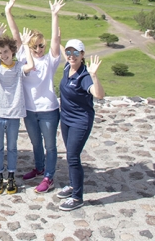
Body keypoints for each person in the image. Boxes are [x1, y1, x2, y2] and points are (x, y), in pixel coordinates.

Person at [4, 0, 65, 194]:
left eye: (41, 46)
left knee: (50, 145)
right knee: (35, 142)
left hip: (48, 109)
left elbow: (56, 40)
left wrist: (54, 15)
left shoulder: (50, 60)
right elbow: (14, 35)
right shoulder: (23, 56)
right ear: (29, 47)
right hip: (29, 109)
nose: (39, 49)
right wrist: (8, 13)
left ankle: (49, 176)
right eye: (35, 46)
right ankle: (39, 168)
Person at [0, 17, 35, 195]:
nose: (4, 55)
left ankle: (10, 176)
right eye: (0, 52)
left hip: (13, 114)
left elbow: (31, 66)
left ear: (12, 51)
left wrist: (25, 44)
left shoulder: (19, 66)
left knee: (12, 147)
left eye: (6, 51)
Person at [56, 40, 104, 211]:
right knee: (70, 154)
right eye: (69, 52)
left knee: (73, 157)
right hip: (66, 118)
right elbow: (63, 50)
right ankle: (72, 185)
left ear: (82, 54)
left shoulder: (84, 76)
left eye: (76, 53)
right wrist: (57, 30)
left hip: (80, 121)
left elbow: (98, 95)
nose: (71, 56)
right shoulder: (68, 67)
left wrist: (94, 75)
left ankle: (77, 197)